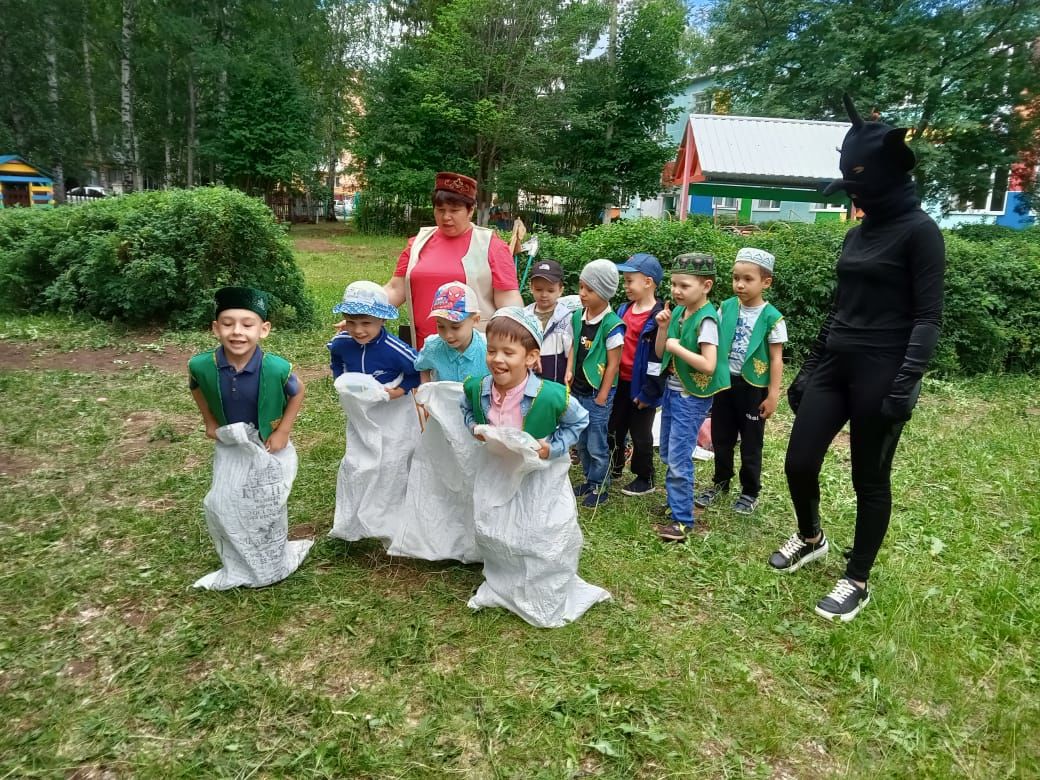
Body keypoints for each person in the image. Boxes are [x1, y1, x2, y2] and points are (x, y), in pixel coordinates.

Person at [769, 94, 945, 622]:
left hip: (883, 371)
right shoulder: (854, 235)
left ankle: (857, 579)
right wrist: (808, 368)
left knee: (869, 478)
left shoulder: (921, 233)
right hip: (837, 366)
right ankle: (811, 536)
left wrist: (907, 380)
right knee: (799, 461)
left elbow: (928, 316)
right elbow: (838, 309)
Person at [384, 172, 523, 349]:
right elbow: (395, 289)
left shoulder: (492, 246)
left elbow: (509, 301)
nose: (446, 217)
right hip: (425, 350)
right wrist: (362, 314)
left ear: (470, 210)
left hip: (476, 354)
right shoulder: (418, 243)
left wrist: (518, 344)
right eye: (440, 210)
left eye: (454, 210)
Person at [695, 247, 787, 515]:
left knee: (751, 441)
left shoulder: (773, 318)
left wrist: (773, 395)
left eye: (748, 279)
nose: (740, 284)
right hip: (725, 383)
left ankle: (750, 491)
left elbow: (776, 359)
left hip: (753, 387)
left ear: (765, 283)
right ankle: (720, 482)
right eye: (736, 278)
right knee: (721, 436)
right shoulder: (725, 307)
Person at [652, 254, 724, 543]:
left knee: (680, 457)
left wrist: (676, 346)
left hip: (691, 397)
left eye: (684, 285)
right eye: (673, 285)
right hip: (672, 391)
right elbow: (660, 353)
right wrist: (662, 329)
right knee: (669, 452)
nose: (676, 291)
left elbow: (708, 364)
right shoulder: (680, 314)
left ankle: (683, 521)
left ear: (706, 286)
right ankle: (675, 503)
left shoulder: (706, 320)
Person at [461, 307, 588, 460]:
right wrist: (474, 427)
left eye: (508, 353)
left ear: (530, 357)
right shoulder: (476, 388)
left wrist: (554, 448)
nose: (497, 359)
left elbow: (579, 420)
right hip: (493, 469)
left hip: (535, 476)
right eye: (491, 351)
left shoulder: (550, 396)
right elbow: (466, 407)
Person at [189, 286, 304, 453]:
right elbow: (195, 386)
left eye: (247, 325)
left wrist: (283, 431)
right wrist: (210, 420)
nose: (237, 331)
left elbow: (298, 391)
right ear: (216, 328)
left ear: (263, 330)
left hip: (269, 443)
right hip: (230, 443)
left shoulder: (276, 369)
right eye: (227, 324)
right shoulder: (201, 366)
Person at [567, 259, 625, 508]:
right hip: (578, 389)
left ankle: (601, 486)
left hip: (597, 393)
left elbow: (613, 365)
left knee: (596, 442)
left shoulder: (612, 326)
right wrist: (569, 370)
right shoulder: (579, 317)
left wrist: (603, 395)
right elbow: (572, 347)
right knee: (580, 439)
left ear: (604, 292)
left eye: (589, 290)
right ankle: (590, 481)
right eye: (581, 287)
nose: (582, 294)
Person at [608, 253, 665, 497]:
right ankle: (614, 465)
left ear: (648, 282)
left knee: (641, 434)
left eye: (630, 280)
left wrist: (649, 392)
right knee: (614, 426)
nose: (626, 285)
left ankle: (645, 477)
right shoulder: (624, 309)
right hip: (620, 380)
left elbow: (658, 359)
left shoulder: (659, 316)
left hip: (643, 384)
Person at [327, 281, 420, 395]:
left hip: (392, 403)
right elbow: (336, 359)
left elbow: (418, 371)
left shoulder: (396, 350)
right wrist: (339, 378)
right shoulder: (340, 343)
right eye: (351, 322)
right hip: (355, 400)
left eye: (365, 323)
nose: (358, 330)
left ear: (383, 320)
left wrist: (400, 391)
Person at [414, 281, 488, 383]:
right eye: (441, 326)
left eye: (455, 327)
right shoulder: (432, 348)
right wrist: (425, 388)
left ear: (475, 320)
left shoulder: (489, 348)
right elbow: (422, 367)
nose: (448, 335)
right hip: (444, 398)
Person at [524, 259, 574, 385]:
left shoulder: (567, 317)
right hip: (527, 377)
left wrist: (570, 372)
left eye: (550, 290)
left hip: (556, 379)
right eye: (539, 289)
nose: (544, 294)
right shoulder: (524, 315)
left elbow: (571, 350)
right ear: (531, 288)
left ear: (560, 290)